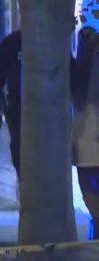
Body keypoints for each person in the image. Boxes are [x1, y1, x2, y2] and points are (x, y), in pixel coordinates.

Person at [0, 30, 23, 174]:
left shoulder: (51, 38)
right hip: (18, 109)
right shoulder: (13, 42)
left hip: (46, 113)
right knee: (20, 156)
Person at [73, 26, 99, 229]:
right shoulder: (81, 69)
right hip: (86, 141)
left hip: (87, 142)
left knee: (88, 183)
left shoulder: (82, 67)